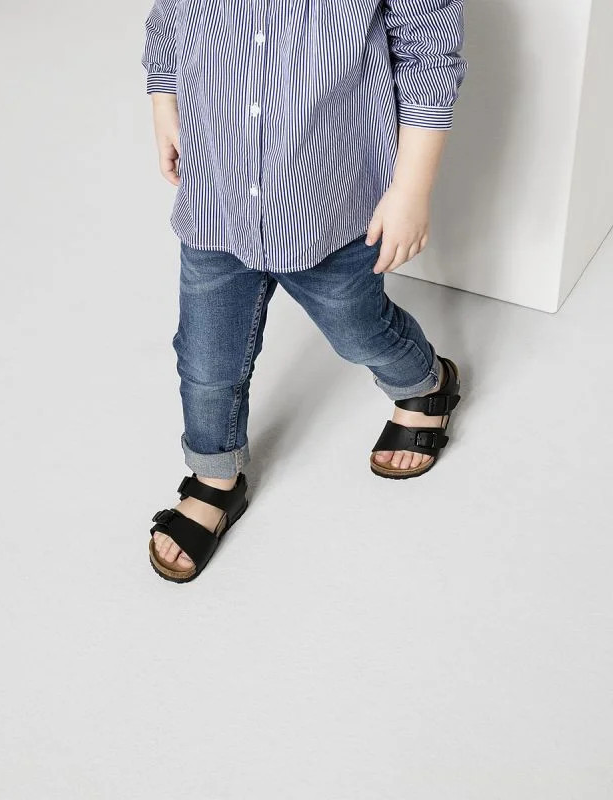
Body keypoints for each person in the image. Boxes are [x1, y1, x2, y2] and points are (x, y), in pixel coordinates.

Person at [141, 0, 468, 583]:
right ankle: (215, 474)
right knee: (205, 359)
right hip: (218, 197)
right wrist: (165, 101)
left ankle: (425, 381)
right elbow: (172, 12)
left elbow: (428, 51)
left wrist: (412, 189)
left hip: (331, 206)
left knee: (357, 327)